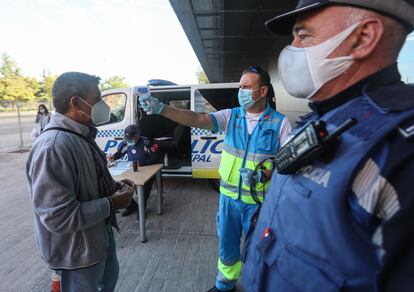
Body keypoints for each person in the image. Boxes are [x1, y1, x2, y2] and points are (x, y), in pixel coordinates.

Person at [243, 1, 414, 291]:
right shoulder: (321, 118)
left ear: (363, 38)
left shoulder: (400, 154)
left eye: (304, 36)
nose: (292, 49)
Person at [139, 66, 291, 292]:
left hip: (259, 203)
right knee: (227, 247)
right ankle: (225, 285)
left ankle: (255, 284)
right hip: (229, 198)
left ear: (263, 91)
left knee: (258, 249)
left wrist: (267, 173)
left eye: (247, 87)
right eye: (240, 86)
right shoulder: (231, 116)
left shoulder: (280, 123)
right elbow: (196, 118)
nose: (242, 91)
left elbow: (288, 161)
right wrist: (162, 109)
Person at [26, 72, 135, 291]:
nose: (103, 105)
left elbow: (85, 183)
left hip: (98, 238)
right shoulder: (54, 147)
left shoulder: (81, 136)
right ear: (76, 102)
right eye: (97, 100)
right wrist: (112, 203)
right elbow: (58, 217)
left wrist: (113, 188)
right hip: (77, 255)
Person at [108, 124, 161, 217]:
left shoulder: (146, 142)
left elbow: (156, 158)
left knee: (144, 188)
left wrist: (142, 164)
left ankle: (142, 209)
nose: (128, 142)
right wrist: (113, 157)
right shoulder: (126, 143)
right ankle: (131, 206)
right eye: (127, 139)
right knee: (120, 186)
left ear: (137, 136)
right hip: (132, 170)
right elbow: (119, 153)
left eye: (131, 139)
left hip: (146, 170)